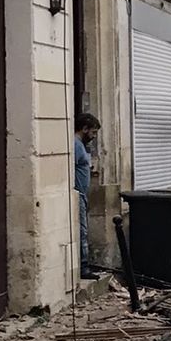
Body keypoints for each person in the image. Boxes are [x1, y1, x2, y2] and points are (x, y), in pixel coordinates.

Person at [73, 113, 101, 279]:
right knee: (82, 231)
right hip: (79, 194)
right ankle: (84, 268)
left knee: (83, 230)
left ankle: (84, 266)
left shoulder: (80, 145)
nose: (94, 136)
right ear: (84, 128)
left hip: (82, 194)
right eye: (93, 132)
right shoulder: (76, 145)